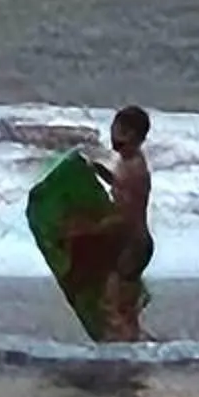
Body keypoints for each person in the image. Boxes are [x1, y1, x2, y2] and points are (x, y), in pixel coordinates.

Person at [68, 104, 154, 342]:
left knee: (112, 306)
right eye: (114, 130)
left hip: (132, 246)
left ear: (136, 137)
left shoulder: (133, 169)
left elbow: (124, 217)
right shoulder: (129, 162)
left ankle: (126, 353)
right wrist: (97, 171)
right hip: (136, 242)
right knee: (127, 309)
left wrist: (88, 230)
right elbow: (120, 187)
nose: (115, 138)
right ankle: (140, 347)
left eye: (122, 133)